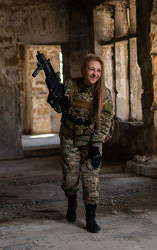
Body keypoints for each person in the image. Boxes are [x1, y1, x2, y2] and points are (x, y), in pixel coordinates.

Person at [56, 54, 114, 233]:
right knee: (71, 179)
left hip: (91, 142)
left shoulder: (104, 93)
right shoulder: (70, 86)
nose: (95, 73)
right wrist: (55, 96)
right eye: (91, 69)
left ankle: (90, 218)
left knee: (91, 181)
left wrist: (97, 144)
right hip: (70, 140)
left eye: (98, 70)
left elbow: (105, 120)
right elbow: (59, 108)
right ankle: (72, 203)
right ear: (83, 70)